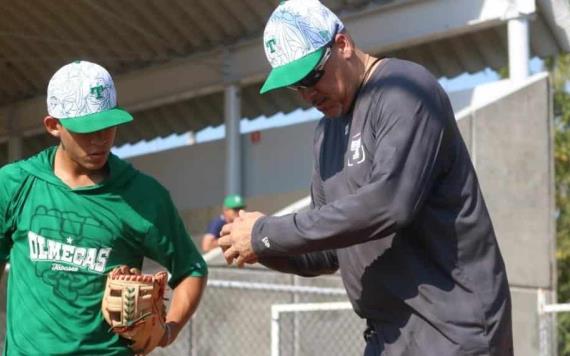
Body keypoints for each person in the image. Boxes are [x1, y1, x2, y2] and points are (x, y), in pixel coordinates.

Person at [218, 0, 514, 355]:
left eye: (312, 75)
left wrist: (268, 233)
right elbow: (328, 250)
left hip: (454, 332)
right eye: (296, 86)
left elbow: (389, 204)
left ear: (342, 44)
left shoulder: (403, 89)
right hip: (389, 336)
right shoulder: (326, 134)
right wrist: (256, 245)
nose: (308, 94)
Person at [0, 60, 207, 355]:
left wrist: (169, 330)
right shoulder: (14, 184)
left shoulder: (144, 196)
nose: (100, 140)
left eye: (108, 126)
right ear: (54, 126)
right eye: (86, 130)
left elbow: (192, 269)